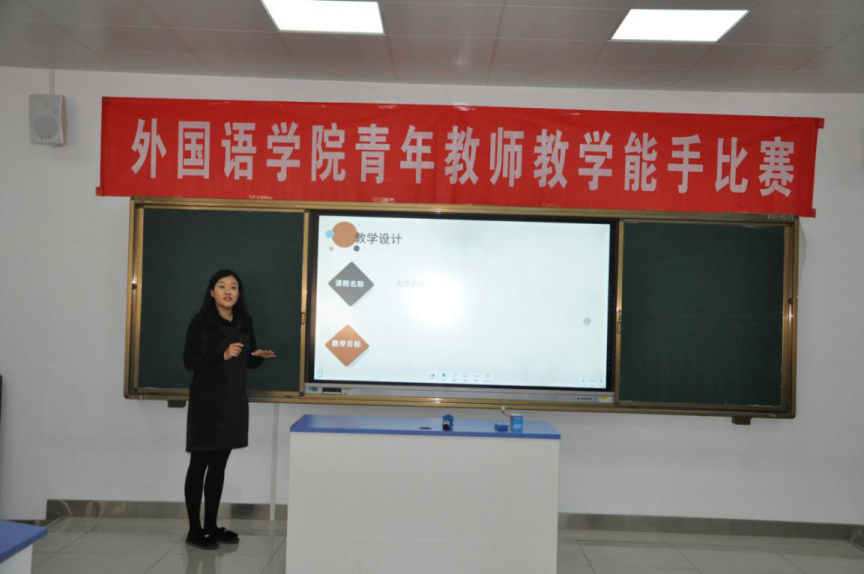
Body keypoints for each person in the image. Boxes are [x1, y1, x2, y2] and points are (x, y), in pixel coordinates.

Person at [182, 269, 276, 549]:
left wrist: (257, 356)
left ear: (238, 293)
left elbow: (248, 359)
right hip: (206, 402)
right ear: (212, 292)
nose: (228, 291)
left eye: (233, 287)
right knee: (199, 464)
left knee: (219, 465)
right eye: (222, 286)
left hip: (233, 401)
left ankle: (211, 525)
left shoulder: (244, 322)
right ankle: (194, 530)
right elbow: (189, 361)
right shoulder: (200, 324)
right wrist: (221, 355)